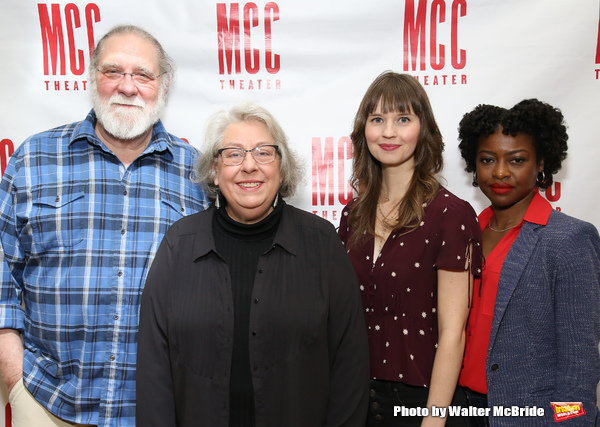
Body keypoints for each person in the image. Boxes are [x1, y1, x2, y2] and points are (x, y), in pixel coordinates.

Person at [0, 25, 207, 427]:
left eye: (143, 75)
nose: (127, 87)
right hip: (46, 402)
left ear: (163, 86)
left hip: (157, 409)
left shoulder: (196, 173)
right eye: (113, 71)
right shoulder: (34, 158)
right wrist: (13, 379)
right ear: (93, 77)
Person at [136, 102, 370, 427]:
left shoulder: (322, 242)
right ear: (215, 172)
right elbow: (153, 367)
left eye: (263, 153)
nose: (249, 166)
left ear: (282, 168)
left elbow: (351, 364)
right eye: (233, 154)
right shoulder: (179, 244)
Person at [338, 71, 482, 427]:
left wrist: (433, 420)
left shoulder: (451, 214)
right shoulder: (353, 214)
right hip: (356, 399)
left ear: (423, 129)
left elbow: (453, 332)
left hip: (422, 402)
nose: (389, 132)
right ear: (364, 130)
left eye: (403, 119)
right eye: (377, 119)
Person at [457, 99, 600, 426]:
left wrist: (570, 422)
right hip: (460, 410)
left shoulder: (569, 239)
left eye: (517, 160)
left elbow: (579, 364)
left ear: (541, 164)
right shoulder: (465, 233)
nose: (500, 172)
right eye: (487, 159)